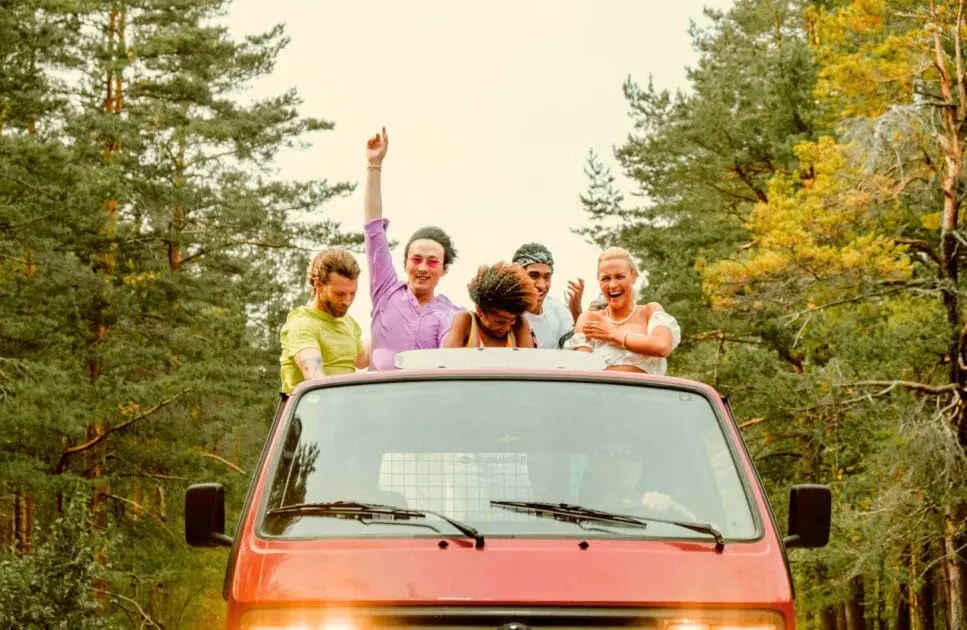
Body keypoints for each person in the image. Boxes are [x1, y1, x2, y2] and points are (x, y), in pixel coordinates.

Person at [363, 127, 463, 369]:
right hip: (377, 398)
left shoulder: (451, 313)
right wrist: (374, 166)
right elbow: (373, 230)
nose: (423, 268)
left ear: (444, 268)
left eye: (432, 262)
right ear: (405, 263)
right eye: (416, 259)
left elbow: (447, 363)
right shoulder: (385, 291)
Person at [564, 246, 681, 374]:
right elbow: (581, 371)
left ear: (634, 276)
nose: (612, 285)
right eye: (606, 278)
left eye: (619, 277)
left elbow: (662, 346)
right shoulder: (590, 319)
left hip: (646, 393)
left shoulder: (649, 311)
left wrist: (613, 335)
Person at [279, 247, 369, 395]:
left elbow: (362, 358)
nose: (347, 301)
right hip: (312, 414)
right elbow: (315, 378)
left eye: (352, 293)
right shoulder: (302, 324)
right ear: (318, 284)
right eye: (339, 294)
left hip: (347, 412)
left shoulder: (348, 322)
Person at [580, 437, 696, 521]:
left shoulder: (664, 508)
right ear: (593, 470)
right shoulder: (578, 518)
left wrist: (670, 509)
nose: (621, 462)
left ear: (641, 470)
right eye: (609, 455)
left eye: (631, 455)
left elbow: (699, 529)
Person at [443, 262, 538, 348]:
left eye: (512, 320)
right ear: (480, 311)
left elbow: (528, 362)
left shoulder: (519, 323)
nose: (506, 328)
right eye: (500, 321)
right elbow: (446, 360)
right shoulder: (465, 321)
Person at [511, 242, 584, 348]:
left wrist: (577, 313)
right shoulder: (506, 315)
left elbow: (576, 349)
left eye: (547, 277)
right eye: (534, 275)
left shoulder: (557, 309)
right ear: (517, 276)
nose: (542, 285)